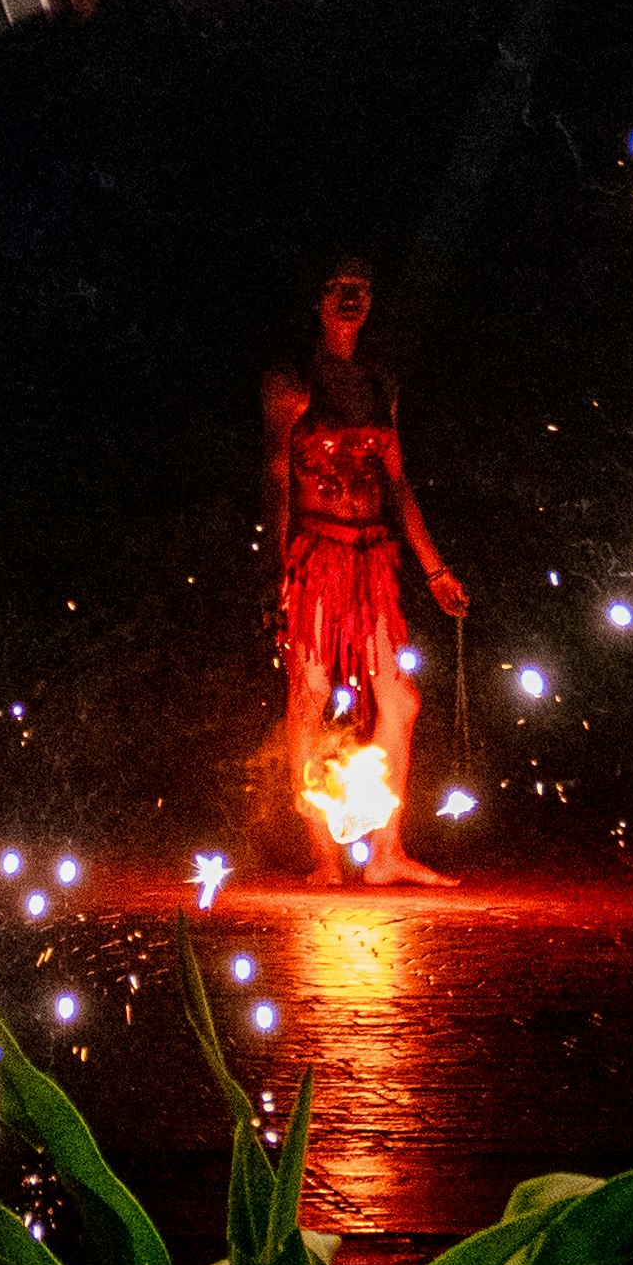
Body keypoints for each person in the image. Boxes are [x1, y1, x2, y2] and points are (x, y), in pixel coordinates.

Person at [263, 253, 469, 883]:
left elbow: (398, 483)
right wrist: (279, 573)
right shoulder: (292, 379)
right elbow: (276, 477)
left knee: (400, 701)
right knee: (310, 695)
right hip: (318, 558)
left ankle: (385, 853)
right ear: (317, 300)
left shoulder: (381, 380)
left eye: (362, 289)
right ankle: (325, 857)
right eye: (337, 288)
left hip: (375, 558)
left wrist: (435, 570)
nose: (352, 299)